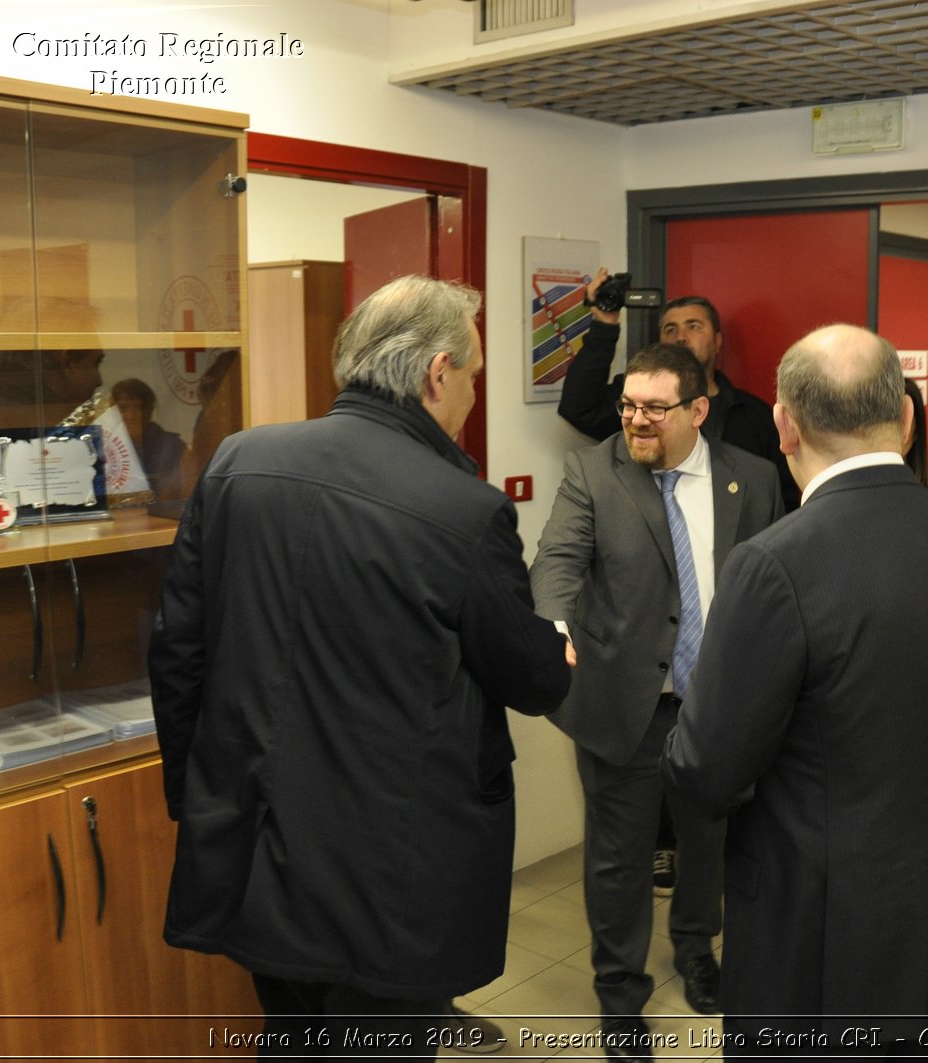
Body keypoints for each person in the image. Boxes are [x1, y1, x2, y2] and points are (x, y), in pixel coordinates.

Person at [149, 275, 570, 1060]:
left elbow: (178, 650)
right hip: (391, 875)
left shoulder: (241, 461)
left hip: (254, 844)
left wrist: (197, 797)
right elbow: (534, 678)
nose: (474, 395)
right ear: (436, 372)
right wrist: (559, 643)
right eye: (474, 375)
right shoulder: (461, 509)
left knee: (292, 1036)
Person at [661, 324, 928, 1058]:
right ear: (909, 417)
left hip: (815, 925)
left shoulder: (774, 562)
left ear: (784, 426)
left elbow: (706, 769)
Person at [530, 342, 782, 1061]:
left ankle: (697, 950)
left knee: (709, 840)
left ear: (698, 410)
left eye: (654, 408)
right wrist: (551, 624)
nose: (636, 420)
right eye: (628, 405)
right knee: (620, 857)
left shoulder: (753, 479)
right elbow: (556, 561)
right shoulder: (593, 471)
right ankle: (619, 993)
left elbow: (769, 581)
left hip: (717, 702)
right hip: (621, 700)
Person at [558, 268, 798, 512]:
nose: (681, 337)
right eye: (670, 329)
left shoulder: (753, 415)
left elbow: (784, 499)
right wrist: (605, 325)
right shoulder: (637, 406)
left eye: (693, 327)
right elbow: (579, 407)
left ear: (717, 342)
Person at [109, 377, 188, 499]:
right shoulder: (106, 447)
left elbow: (171, 497)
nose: (131, 416)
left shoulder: (171, 446)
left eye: (137, 407)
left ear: (149, 411)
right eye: (123, 408)